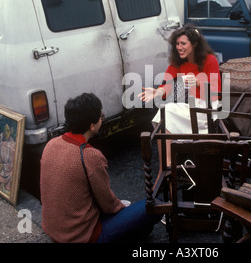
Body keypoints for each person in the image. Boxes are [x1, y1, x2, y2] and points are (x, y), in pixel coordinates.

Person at [40, 93, 161, 243]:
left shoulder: (51, 144)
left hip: (54, 230)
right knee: (154, 206)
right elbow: (109, 205)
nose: (101, 119)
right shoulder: (90, 156)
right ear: (92, 125)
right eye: (100, 116)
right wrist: (124, 209)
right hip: (82, 237)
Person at [138, 24, 221, 164]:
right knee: (164, 115)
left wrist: (198, 82)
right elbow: (167, 85)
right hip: (192, 106)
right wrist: (158, 91)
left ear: (194, 43)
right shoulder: (178, 62)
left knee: (166, 112)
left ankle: (168, 166)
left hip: (208, 108)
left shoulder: (210, 60)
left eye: (183, 43)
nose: (179, 47)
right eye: (177, 44)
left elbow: (217, 90)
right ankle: (167, 165)